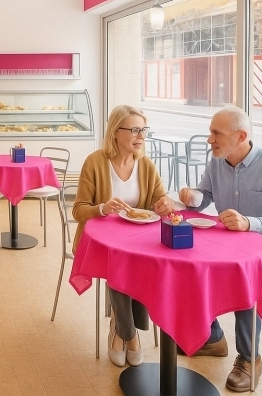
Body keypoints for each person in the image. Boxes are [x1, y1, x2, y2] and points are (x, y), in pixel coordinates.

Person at [178, 106, 262, 392]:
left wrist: (249, 223)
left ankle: (249, 358)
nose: (210, 139)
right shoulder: (216, 162)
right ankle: (212, 338)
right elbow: (205, 196)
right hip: (230, 250)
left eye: (216, 133)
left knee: (246, 279)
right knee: (192, 265)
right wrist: (192, 196)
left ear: (241, 136)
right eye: (210, 132)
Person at [72, 105, 174, 368]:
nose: (141, 136)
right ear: (116, 132)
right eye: (134, 130)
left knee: (138, 263)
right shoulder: (95, 162)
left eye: (143, 130)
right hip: (100, 243)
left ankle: (119, 328)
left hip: (139, 240)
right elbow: (78, 210)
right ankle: (131, 336)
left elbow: (160, 201)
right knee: (120, 264)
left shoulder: (146, 165)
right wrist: (102, 208)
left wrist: (165, 203)